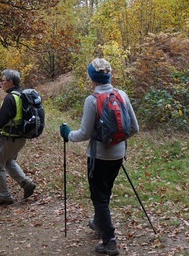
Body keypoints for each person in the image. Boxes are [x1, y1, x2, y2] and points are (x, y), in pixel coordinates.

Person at [59, 58, 139, 256]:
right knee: (105, 192)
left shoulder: (92, 100)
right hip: (119, 154)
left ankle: (110, 240)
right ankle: (98, 223)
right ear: (109, 76)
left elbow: (84, 134)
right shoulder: (122, 95)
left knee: (99, 197)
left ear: (92, 78)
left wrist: (67, 134)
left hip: (99, 156)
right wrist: (116, 141)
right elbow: (134, 128)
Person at [0, 69, 37, 206]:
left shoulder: (10, 98)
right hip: (21, 138)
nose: (1, 83)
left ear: (10, 82)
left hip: (10, 138)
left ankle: (4, 196)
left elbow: (0, 122)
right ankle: (26, 183)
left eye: (3, 81)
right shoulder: (21, 95)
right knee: (8, 161)